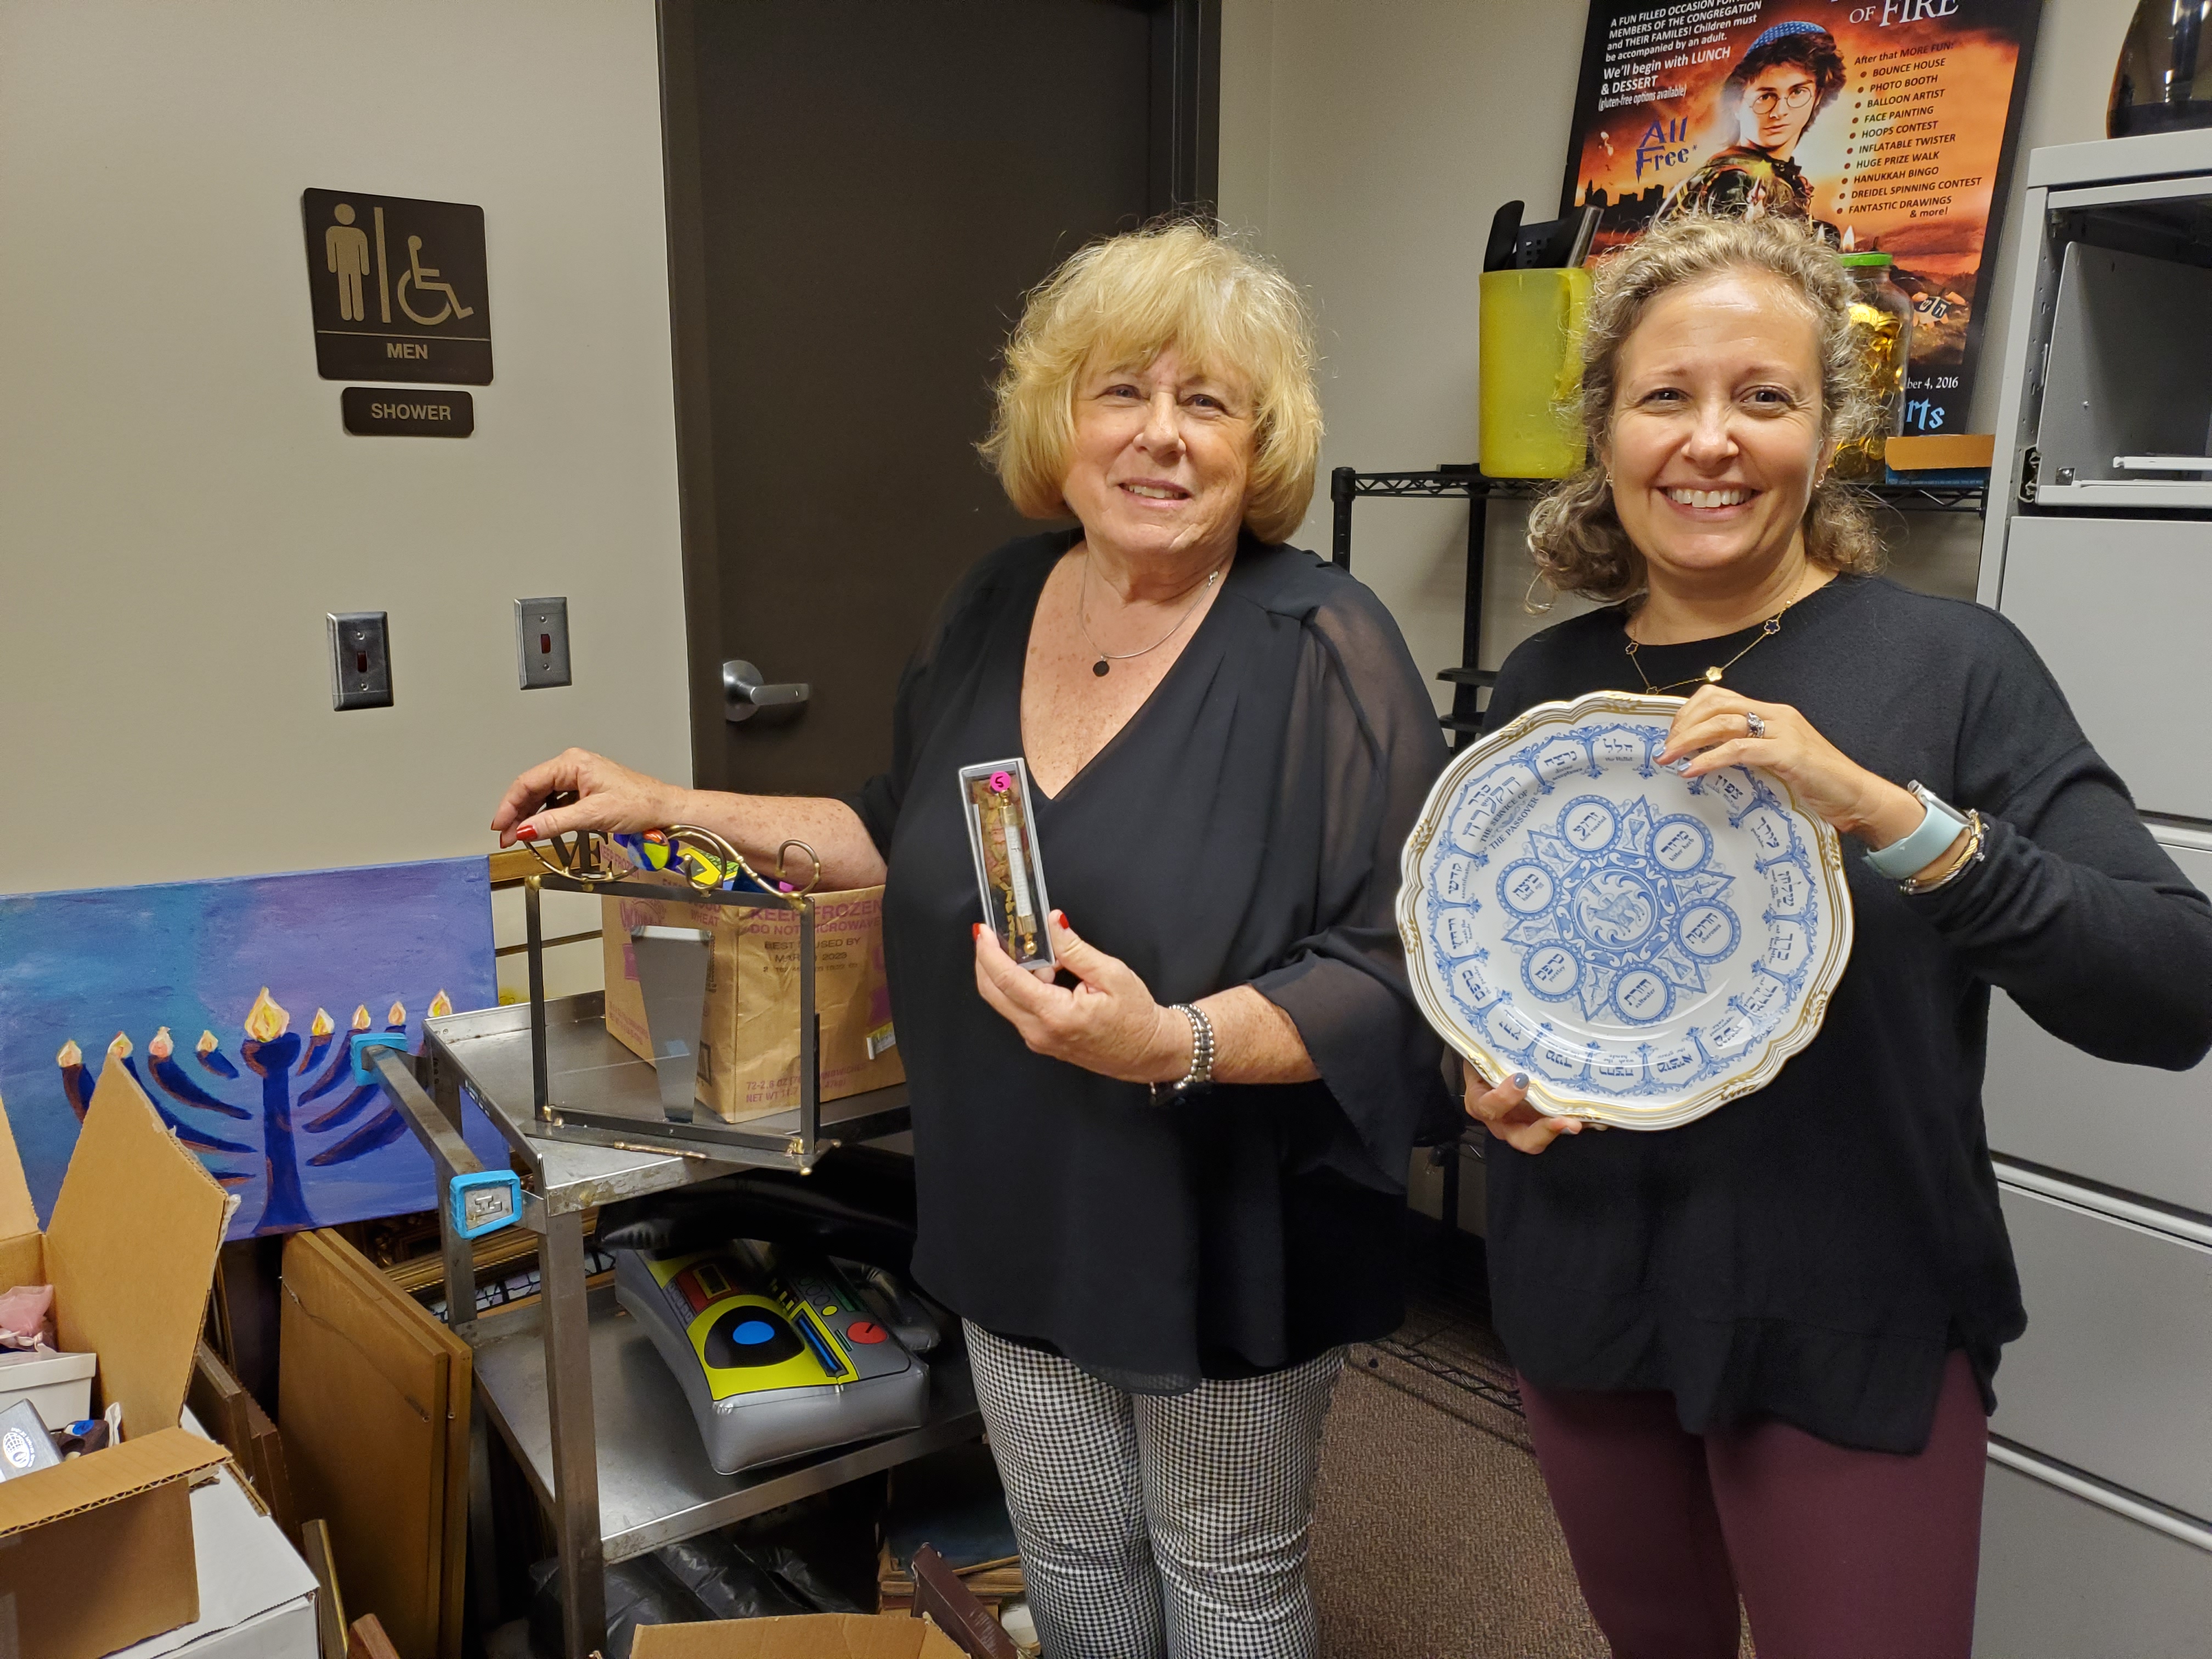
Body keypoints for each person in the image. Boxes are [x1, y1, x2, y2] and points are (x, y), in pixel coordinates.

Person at [489, 222, 1452, 1659]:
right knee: (1068, 1554)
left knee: (1222, 1576)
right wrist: (670, 804)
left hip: (1218, 1219)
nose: (1162, 435)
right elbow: (899, 830)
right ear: (1060, 420)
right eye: (1123, 391)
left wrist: (1171, 1042)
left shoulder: (1325, 646)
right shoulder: (998, 601)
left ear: (1261, 445)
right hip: (1013, 1193)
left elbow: (1395, 969)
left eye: (1208, 402)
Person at [1466, 210, 2212, 1658]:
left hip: (1853, 1311)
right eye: (1666, 396)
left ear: (1828, 431)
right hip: (1591, 1295)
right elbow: (1491, 967)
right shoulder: (1548, 681)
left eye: (1765, 396)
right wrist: (1482, 1075)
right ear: (1605, 430)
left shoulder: (1954, 669)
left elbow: (2174, 988)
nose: (1711, 441)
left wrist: (1885, 812)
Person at [1659, 21, 1846, 223]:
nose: (1780, 112)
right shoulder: (1735, 182)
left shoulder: (1783, 180)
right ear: (1736, 104)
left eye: (1798, 92)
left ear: (1818, 97)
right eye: (1766, 97)